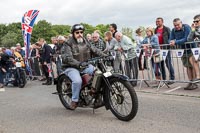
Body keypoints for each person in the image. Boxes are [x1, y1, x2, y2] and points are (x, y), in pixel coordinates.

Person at [61, 24, 107, 110]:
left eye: (81, 32)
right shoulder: (68, 43)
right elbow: (68, 58)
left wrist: (105, 55)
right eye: (77, 32)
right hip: (71, 67)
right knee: (77, 81)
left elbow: (94, 49)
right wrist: (78, 64)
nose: (80, 34)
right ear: (73, 33)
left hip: (84, 65)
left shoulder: (85, 41)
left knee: (99, 74)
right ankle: (74, 100)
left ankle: (93, 93)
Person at [170, 18, 197, 90]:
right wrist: (171, 41)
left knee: (192, 66)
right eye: (175, 25)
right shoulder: (173, 30)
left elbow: (186, 39)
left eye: (178, 25)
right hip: (183, 51)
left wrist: (175, 42)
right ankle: (190, 82)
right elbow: (170, 39)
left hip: (191, 49)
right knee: (187, 66)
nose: (176, 27)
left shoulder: (187, 27)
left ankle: (194, 82)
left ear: (181, 23)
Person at [155, 17, 174, 82]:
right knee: (161, 65)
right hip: (158, 50)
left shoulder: (166, 29)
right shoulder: (155, 30)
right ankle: (164, 79)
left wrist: (168, 44)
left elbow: (171, 37)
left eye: (158, 21)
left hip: (166, 49)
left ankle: (172, 78)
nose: (157, 23)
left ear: (162, 22)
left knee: (168, 64)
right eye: (156, 21)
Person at [187, 14, 200, 88]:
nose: (195, 23)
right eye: (194, 21)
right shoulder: (195, 29)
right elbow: (189, 39)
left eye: (197, 21)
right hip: (198, 49)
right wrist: (192, 30)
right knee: (192, 58)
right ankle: (198, 75)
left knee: (193, 58)